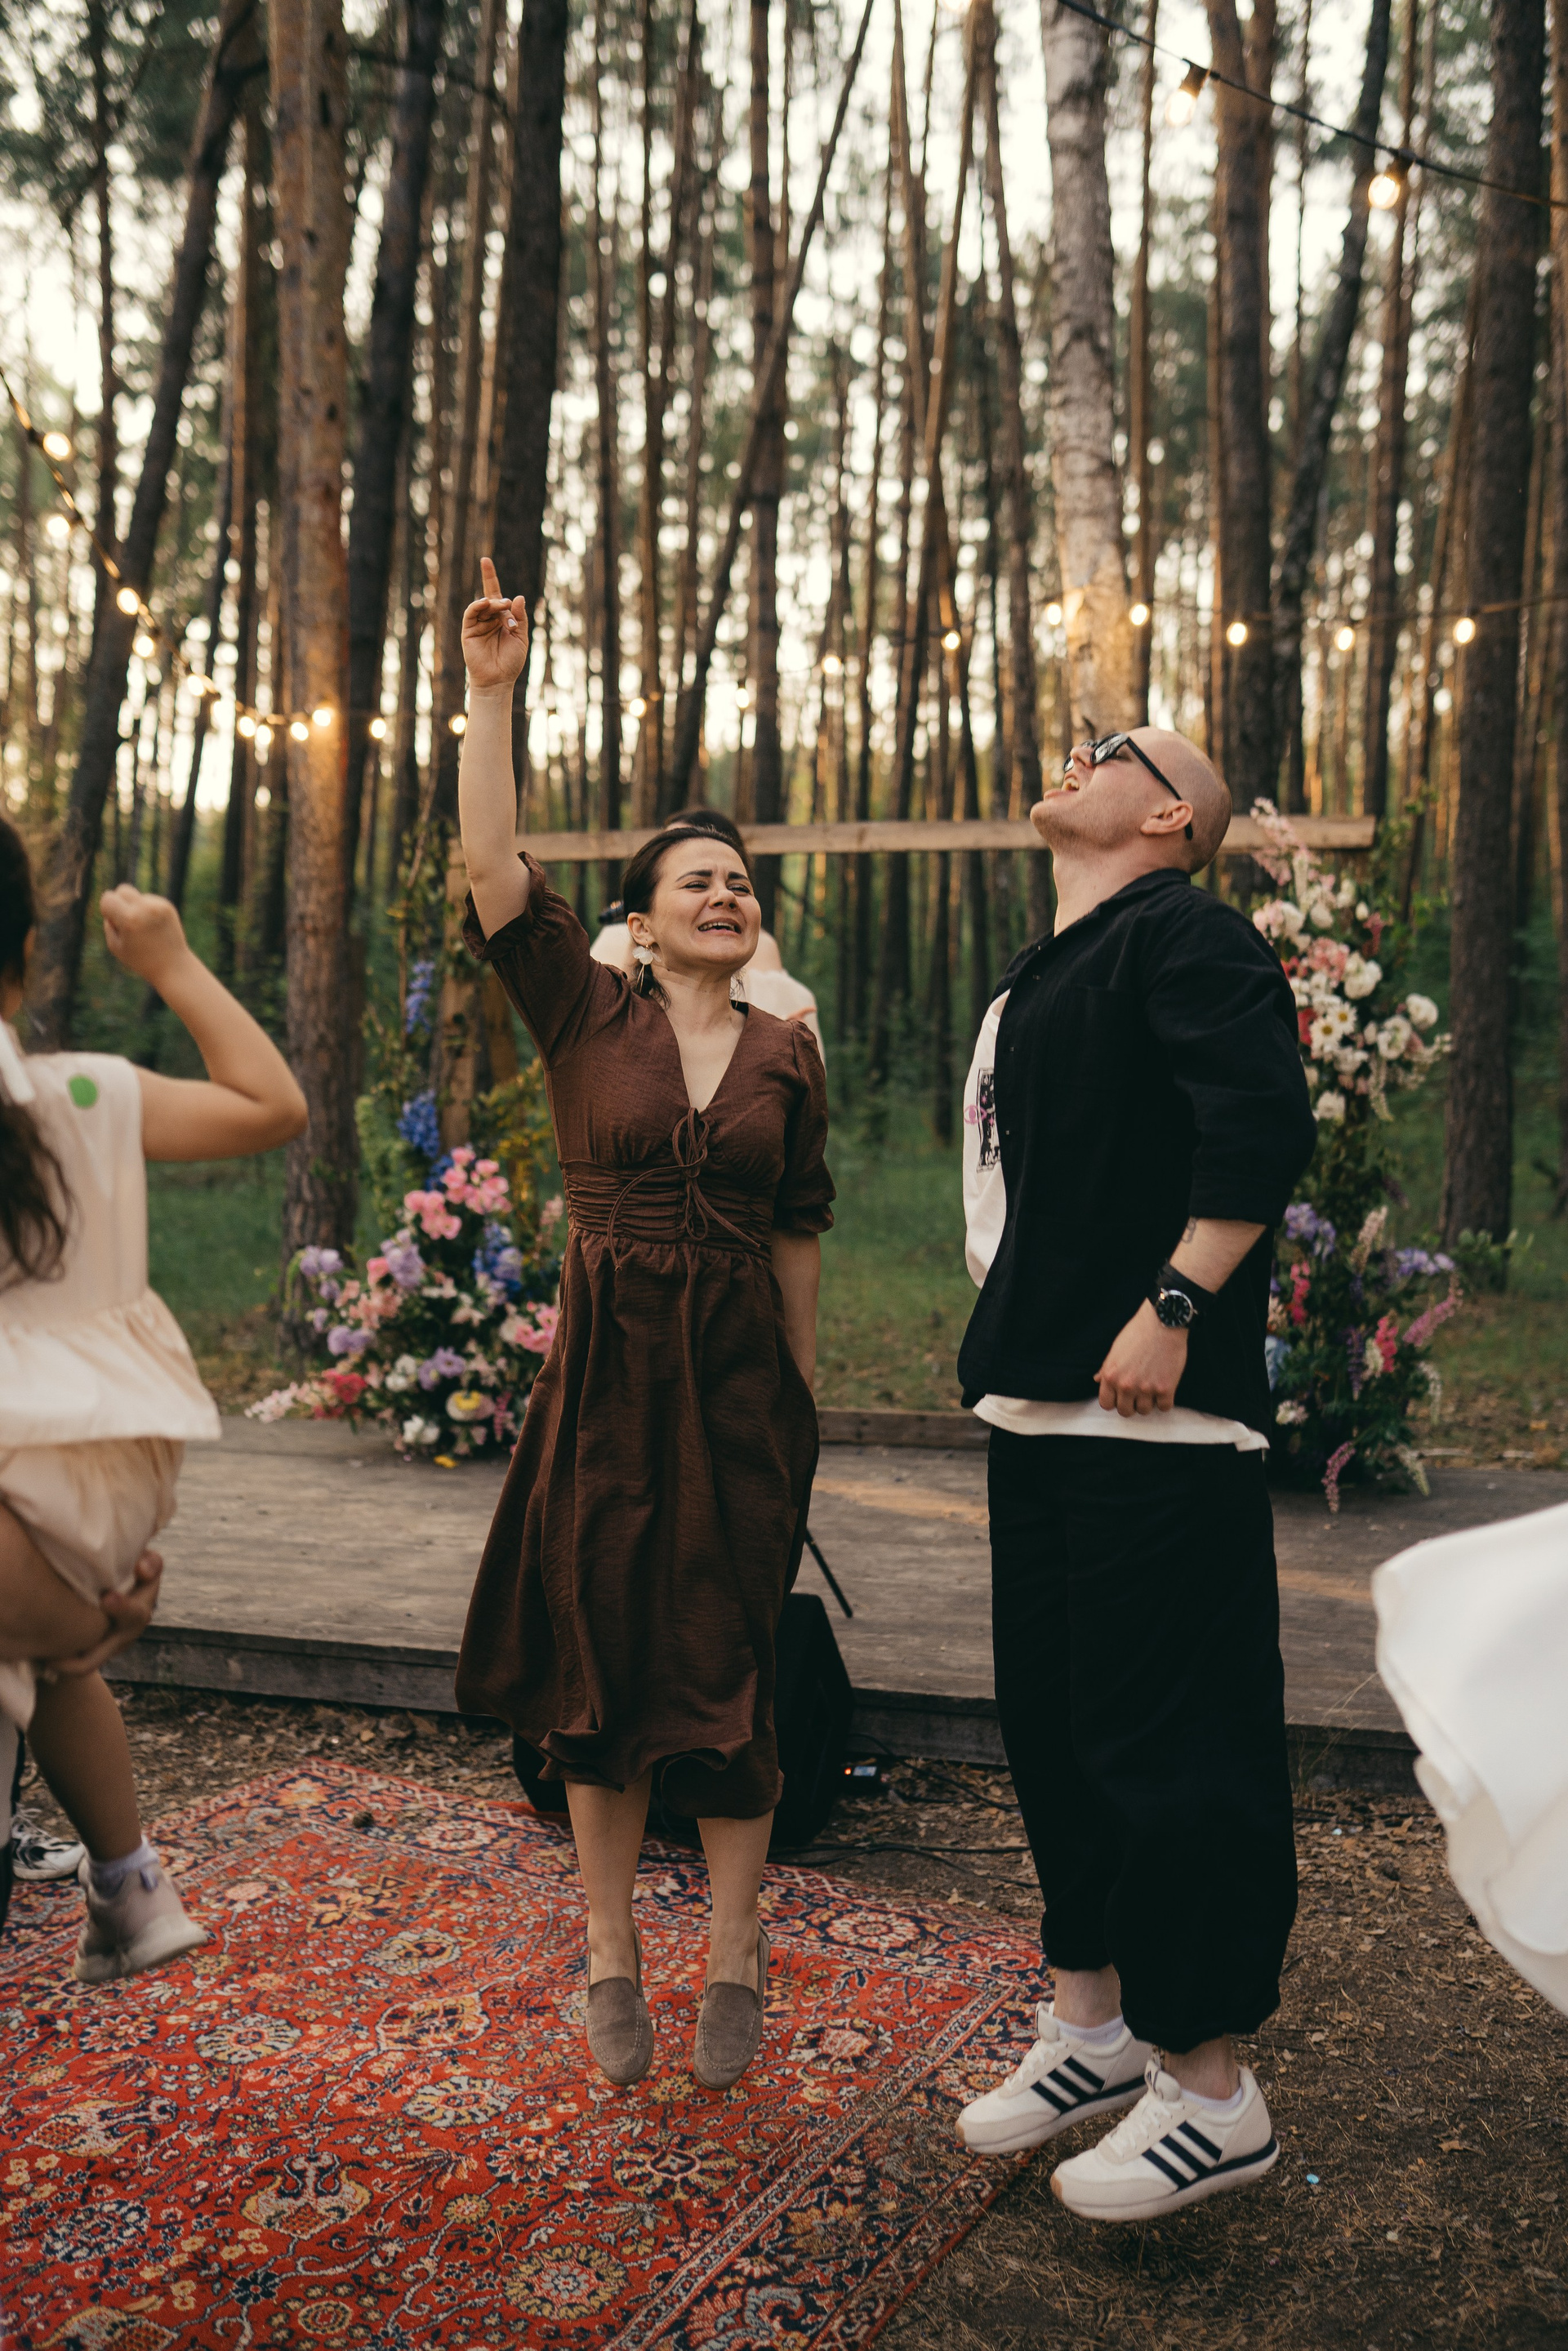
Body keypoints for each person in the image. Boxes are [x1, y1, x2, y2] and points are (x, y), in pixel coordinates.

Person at [453, 559, 834, 2092]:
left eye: (742, 879)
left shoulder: (790, 1050)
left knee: (735, 1657)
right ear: (640, 918)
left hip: (742, 1385)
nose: (728, 893)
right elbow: (492, 862)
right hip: (607, 1379)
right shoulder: (583, 1013)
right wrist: (491, 693)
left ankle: (736, 1942)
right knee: (600, 1661)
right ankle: (610, 1947)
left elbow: (800, 1226)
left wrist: (801, 1398)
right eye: (699, 880)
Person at [953, 728, 1316, 2222]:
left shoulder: (1187, 932)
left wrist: (1176, 1303)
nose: (1072, 753)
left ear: (1170, 812)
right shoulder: (1047, 969)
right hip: (1041, 1406)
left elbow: (1262, 1121)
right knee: (1057, 1731)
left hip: (1158, 1418)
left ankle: (1213, 2089)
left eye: (1108, 748)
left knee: (1169, 1747)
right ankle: (1092, 2024)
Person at [0, 817, 307, 1977]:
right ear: (28, 956)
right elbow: (271, 1104)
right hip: (102, 1497)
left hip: (40, 1539)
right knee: (60, 1668)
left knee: (55, 1664)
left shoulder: (70, 1096)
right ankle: (129, 1879)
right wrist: (172, 962)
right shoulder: (83, 1092)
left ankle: (128, 1877)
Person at [590, 809, 826, 1060]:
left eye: (739, 887)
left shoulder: (761, 950)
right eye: (696, 884)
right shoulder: (609, 971)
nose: (725, 895)